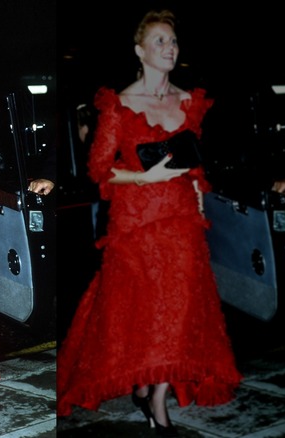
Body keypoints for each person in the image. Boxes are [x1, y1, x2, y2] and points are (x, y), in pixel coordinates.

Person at [56, 9, 242, 437]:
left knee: (174, 315)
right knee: (142, 313)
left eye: (173, 42)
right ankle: (147, 388)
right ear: (140, 51)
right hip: (136, 225)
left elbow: (195, 168)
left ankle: (156, 397)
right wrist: (146, 176)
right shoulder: (119, 105)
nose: (170, 48)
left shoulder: (189, 102)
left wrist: (198, 206)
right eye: (160, 41)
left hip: (181, 225)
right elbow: (99, 170)